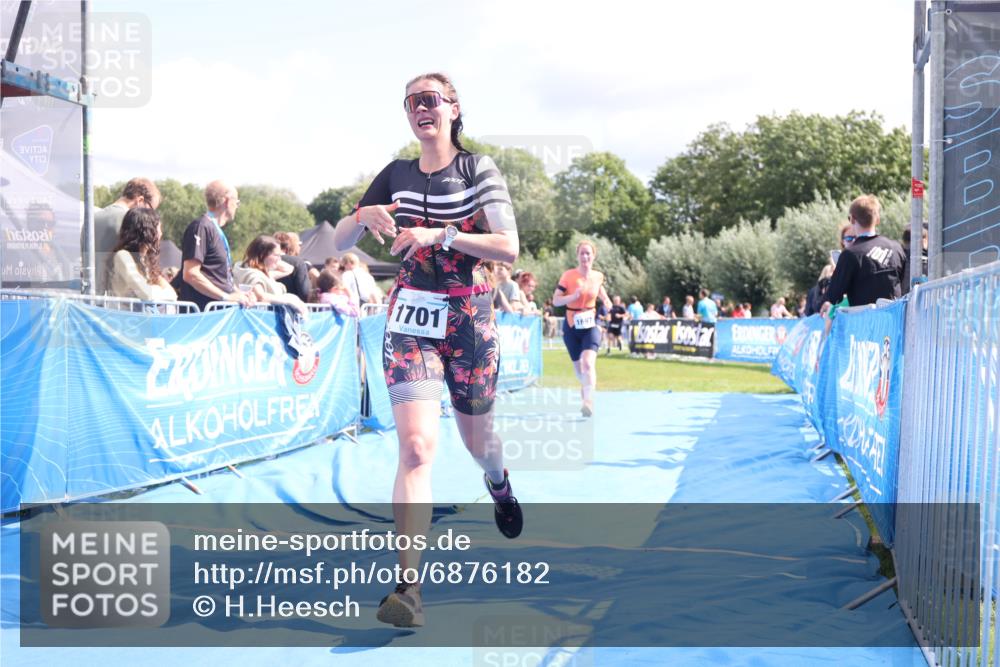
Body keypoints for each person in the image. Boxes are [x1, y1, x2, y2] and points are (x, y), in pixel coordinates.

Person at [330, 72, 522, 628]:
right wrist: (360, 218)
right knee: (415, 447)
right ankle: (408, 588)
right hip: (411, 316)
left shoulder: (477, 169)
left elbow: (508, 248)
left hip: (469, 317)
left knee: (478, 441)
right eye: (411, 102)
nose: (420, 109)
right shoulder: (395, 174)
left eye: (430, 100)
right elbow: (343, 240)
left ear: (454, 108)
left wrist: (440, 235)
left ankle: (499, 484)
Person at [553, 240, 611, 418]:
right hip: (571, 326)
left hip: (590, 325)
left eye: (588, 253)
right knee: (580, 371)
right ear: (577, 256)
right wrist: (573, 296)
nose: (585, 256)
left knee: (588, 363)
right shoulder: (568, 276)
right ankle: (586, 388)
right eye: (582, 253)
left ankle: (588, 402)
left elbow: (602, 295)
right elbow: (556, 301)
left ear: (594, 256)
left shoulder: (598, 276)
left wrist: (608, 304)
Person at [822, 195, 908, 312]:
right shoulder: (896, 248)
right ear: (877, 219)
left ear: (852, 219)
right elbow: (905, 286)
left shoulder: (850, 254)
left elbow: (833, 296)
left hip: (864, 325)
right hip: (894, 322)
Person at [180, 180, 252, 310]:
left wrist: (238, 294)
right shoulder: (201, 227)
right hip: (203, 316)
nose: (237, 206)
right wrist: (225, 297)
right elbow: (190, 274)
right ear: (227, 200)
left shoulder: (214, 229)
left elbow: (218, 277)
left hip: (218, 314)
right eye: (237, 202)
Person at [92, 178, 161, 295]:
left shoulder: (91, 219)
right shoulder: (131, 223)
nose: (150, 216)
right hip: (118, 301)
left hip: (91, 296)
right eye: (150, 209)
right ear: (140, 200)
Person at [105, 207, 176, 302]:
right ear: (148, 230)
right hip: (124, 315)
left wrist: (153, 290)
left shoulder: (146, 261)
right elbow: (146, 294)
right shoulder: (122, 256)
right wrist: (158, 289)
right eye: (158, 228)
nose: (161, 233)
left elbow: (173, 295)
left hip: (138, 315)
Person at [232, 235, 309, 316]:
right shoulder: (253, 274)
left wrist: (275, 260)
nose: (280, 259)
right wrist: (289, 301)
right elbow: (261, 296)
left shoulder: (259, 272)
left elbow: (289, 269)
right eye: (276, 255)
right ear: (262, 254)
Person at [272, 231, 316, 302]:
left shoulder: (264, 261)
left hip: (268, 308)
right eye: (299, 244)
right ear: (289, 246)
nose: (300, 247)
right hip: (293, 308)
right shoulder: (298, 262)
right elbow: (304, 292)